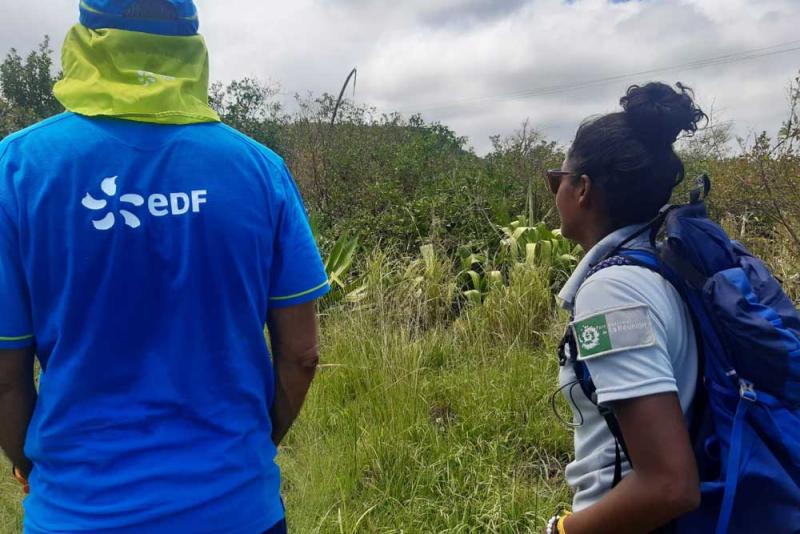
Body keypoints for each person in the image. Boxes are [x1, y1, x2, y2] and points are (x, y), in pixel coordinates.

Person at [0, 1, 330, 532]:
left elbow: (5, 378)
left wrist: (30, 464)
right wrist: (247, 451)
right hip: (238, 508)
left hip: (79, 511)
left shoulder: (15, 170)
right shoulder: (259, 170)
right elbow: (301, 355)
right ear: (190, 44)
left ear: (87, 37)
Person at [544, 82, 707, 533]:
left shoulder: (613, 293)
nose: (554, 191)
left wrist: (561, 530)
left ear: (582, 190)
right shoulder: (664, 261)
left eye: (556, 179)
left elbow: (669, 484)